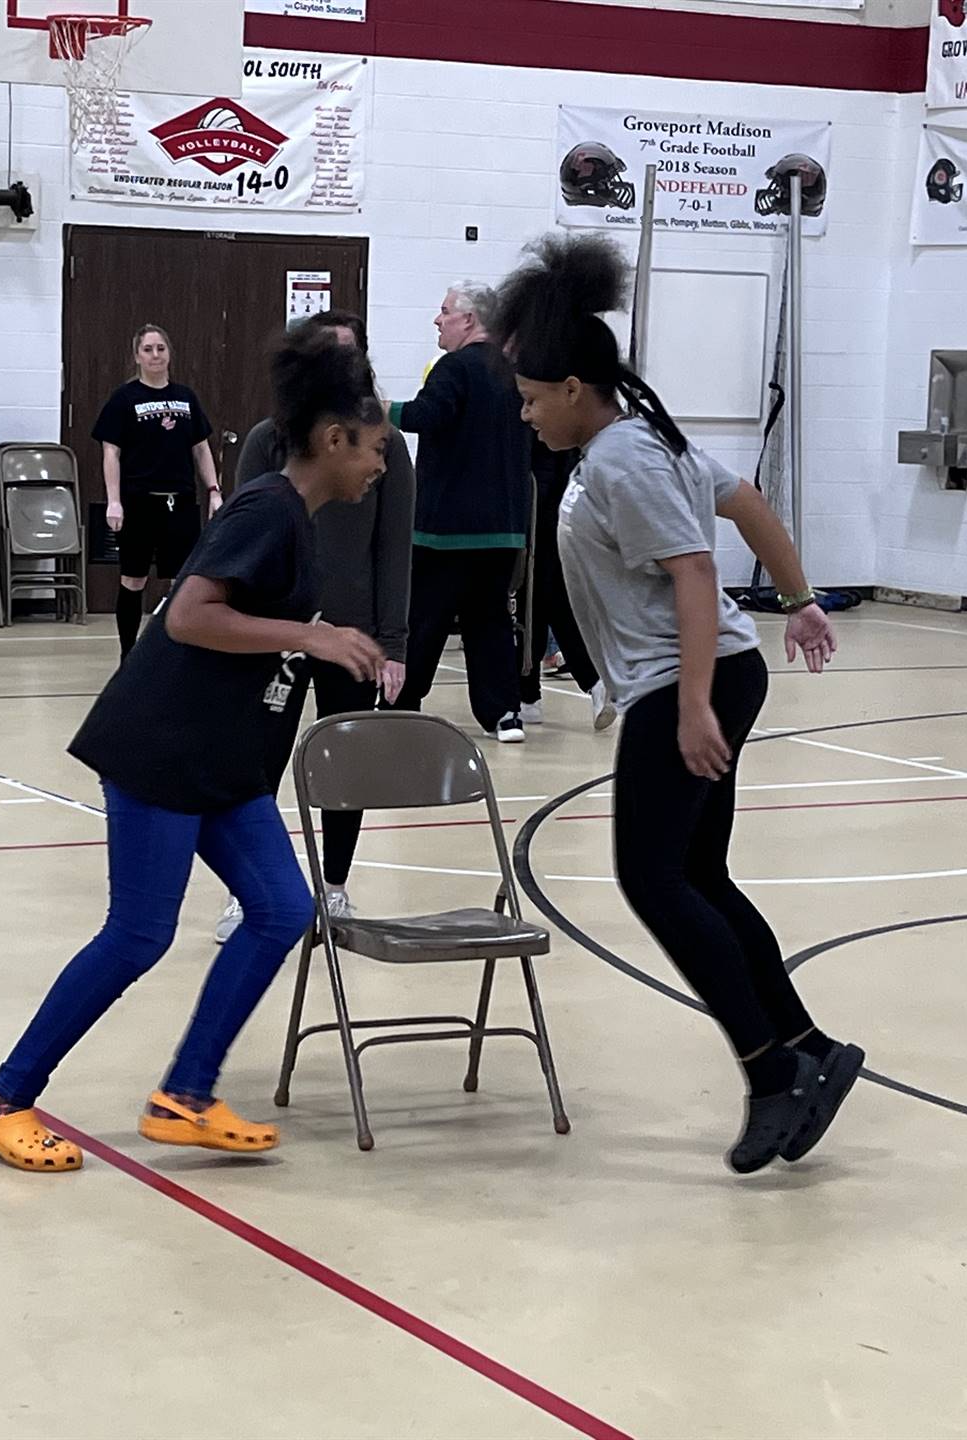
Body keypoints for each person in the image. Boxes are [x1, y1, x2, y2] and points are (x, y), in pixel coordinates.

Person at [0, 327, 389, 1174]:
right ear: (334, 440)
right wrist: (314, 634)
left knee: (280, 910)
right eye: (376, 449)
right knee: (139, 934)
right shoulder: (266, 507)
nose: (381, 464)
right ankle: (0, 1099)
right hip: (164, 747)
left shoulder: (298, 518)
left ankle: (185, 1095)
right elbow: (190, 614)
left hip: (222, 761)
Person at [494, 232, 861, 1174]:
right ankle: (809, 1051)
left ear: (574, 388)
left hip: (686, 682)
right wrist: (803, 598)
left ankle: (771, 1073)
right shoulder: (644, 442)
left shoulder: (623, 460)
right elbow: (748, 504)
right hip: (701, 676)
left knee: (653, 880)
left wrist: (694, 705)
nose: (527, 415)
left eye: (533, 399)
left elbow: (697, 571)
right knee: (699, 877)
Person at [214, 310, 415, 941]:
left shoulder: (388, 443)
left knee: (342, 765)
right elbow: (240, 542)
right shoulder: (265, 441)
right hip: (277, 631)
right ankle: (248, 892)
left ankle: (334, 886)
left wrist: (393, 642)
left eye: (352, 356)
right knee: (257, 762)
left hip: (354, 631)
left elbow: (394, 545)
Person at [390, 281, 533, 742]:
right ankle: (504, 713)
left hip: (445, 530)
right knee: (490, 620)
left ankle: (402, 703)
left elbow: (425, 416)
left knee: (425, 619)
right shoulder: (515, 373)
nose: (438, 319)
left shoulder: (454, 367)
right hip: (503, 529)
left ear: (468, 320)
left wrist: (379, 410)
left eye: (444, 310)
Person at [93, 325, 222, 661]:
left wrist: (214, 490)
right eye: (148, 349)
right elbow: (111, 453)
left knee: (182, 582)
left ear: (169, 354)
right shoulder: (124, 399)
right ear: (137, 356)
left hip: (179, 500)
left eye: (160, 349)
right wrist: (115, 501)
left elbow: (201, 448)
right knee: (133, 578)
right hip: (138, 500)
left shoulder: (186, 397)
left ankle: (173, 651)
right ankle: (127, 654)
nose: (155, 355)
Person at [517, 439, 615, 731]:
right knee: (547, 598)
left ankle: (530, 695)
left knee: (537, 597)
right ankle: (532, 694)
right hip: (555, 496)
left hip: (542, 501)